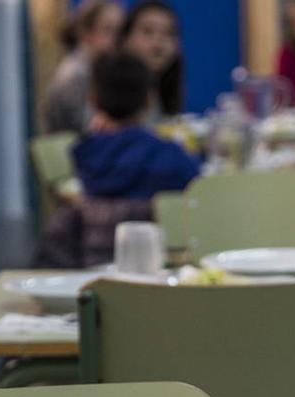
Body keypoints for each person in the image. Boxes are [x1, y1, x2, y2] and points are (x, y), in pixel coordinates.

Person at [36, 52, 198, 268]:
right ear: (150, 100)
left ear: (92, 100)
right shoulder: (171, 157)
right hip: (163, 269)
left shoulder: (86, 157)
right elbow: (196, 190)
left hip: (93, 269)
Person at [42, 0, 123, 133]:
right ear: (85, 33)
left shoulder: (97, 68)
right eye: (108, 30)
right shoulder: (76, 73)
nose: (117, 38)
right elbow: (90, 129)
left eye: (120, 31)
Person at [119, 0, 184, 122]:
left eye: (168, 33)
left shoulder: (161, 90)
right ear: (125, 39)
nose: (158, 41)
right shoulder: (108, 95)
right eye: (148, 31)